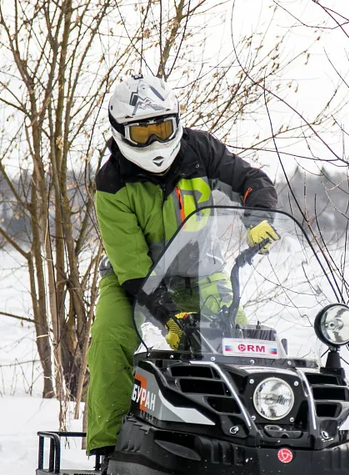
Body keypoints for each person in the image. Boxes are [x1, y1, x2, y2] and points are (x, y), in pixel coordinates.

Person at [87, 73, 279, 455]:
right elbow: (132, 265)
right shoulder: (111, 182)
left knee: (239, 342)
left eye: (162, 127)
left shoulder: (200, 151)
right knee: (111, 339)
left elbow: (250, 178)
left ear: (177, 122)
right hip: (134, 282)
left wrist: (257, 217)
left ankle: (249, 440)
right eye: (143, 134)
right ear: (121, 134)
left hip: (202, 273)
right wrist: (167, 319)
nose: (156, 141)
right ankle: (110, 448)